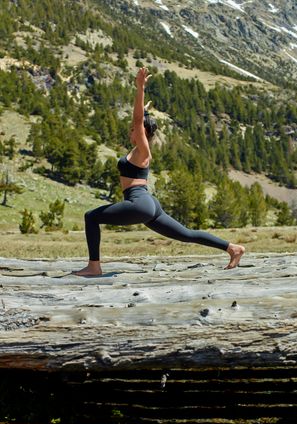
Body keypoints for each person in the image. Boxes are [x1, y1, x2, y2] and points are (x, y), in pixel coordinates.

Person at [74, 67, 245, 276]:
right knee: (186, 234)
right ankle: (233, 248)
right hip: (148, 204)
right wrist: (145, 111)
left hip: (139, 203)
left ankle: (94, 266)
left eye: (134, 129)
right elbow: (140, 120)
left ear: (142, 132)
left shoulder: (143, 150)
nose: (131, 130)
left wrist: (140, 88)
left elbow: (138, 122)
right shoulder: (140, 150)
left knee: (91, 217)